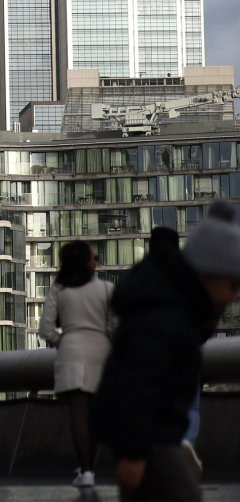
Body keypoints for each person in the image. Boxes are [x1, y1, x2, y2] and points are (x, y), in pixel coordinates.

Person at [97, 201, 240, 501]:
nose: (235, 295)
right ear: (208, 275)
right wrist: (135, 454)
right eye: (232, 283)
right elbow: (140, 383)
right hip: (151, 438)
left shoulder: (172, 306)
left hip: (148, 433)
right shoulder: (166, 317)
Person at [40, 240, 115, 489]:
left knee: (79, 417)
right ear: (86, 261)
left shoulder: (59, 289)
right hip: (100, 351)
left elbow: (46, 329)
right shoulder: (106, 288)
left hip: (71, 352)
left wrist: (64, 340)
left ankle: (86, 471)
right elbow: (115, 327)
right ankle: (90, 467)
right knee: (95, 418)